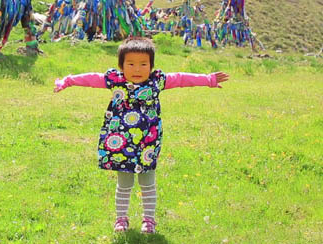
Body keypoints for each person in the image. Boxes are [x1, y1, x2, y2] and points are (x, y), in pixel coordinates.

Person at [54, 37, 229, 234]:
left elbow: (181, 79)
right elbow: (91, 78)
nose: (137, 69)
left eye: (143, 64)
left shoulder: (157, 81)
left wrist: (208, 79)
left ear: (152, 66)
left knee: (148, 183)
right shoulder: (115, 80)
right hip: (120, 143)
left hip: (148, 143)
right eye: (131, 64)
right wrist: (68, 81)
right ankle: (121, 220)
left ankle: (149, 221)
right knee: (124, 183)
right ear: (121, 66)